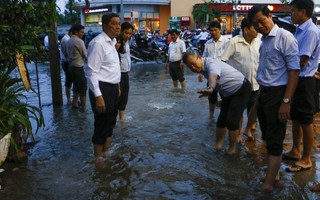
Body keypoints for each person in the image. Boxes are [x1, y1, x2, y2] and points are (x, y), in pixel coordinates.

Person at [248, 5, 300, 191]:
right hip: (265, 93)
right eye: (255, 24)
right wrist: (259, 98)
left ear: (271, 16)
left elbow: (294, 71)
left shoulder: (285, 37)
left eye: (262, 20)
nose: (259, 26)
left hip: (279, 94)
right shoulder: (265, 41)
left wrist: (286, 102)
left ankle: (268, 185)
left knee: (276, 140)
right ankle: (275, 177)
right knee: (268, 137)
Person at [182, 49, 251, 155]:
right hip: (227, 93)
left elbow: (213, 76)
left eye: (194, 64)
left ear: (200, 58)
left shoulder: (211, 63)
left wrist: (211, 88)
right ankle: (217, 147)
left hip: (241, 89)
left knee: (232, 121)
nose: (193, 68)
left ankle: (231, 150)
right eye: (189, 66)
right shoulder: (203, 67)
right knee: (221, 120)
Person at [284, 0, 320, 173]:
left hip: (305, 81)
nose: (291, 14)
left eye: (293, 11)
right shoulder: (300, 30)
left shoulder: (311, 31)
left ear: (303, 12)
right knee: (296, 118)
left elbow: (302, 60)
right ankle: (295, 150)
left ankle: (306, 159)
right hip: (298, 79)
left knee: (306, 121)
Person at [84, 13, 121, 164]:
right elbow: (90, 71)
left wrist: (117, 86)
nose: (118, 26)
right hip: (102, 89)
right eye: (114, 24)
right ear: (105, 26)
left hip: (112, 88)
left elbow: (112, 68)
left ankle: (106, 152)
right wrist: (98, 95)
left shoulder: (112, 42)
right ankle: (98, 158)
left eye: (119, 23)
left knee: (110, 121)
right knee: (101, 123)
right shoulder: (98, 43)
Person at [221, 18, 261, 142]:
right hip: (239, 86)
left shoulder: (259, 41)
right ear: (246, 29)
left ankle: (248, 129)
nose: (257, 30)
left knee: (254, 110)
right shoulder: (234, 42)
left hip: (256, 83)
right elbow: (223, 61)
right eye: (255, 27)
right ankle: (237, 134)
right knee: (238, 111)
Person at [202, 21, 230, 118]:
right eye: (211, 30)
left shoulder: (227, 42)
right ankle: (211, 116)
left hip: (223, 75)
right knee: (211, 97)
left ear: (220, 30)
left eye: (215, 30)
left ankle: (224, 115)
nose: (213, 32)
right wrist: (201, 73)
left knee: (225, 97)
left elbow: (230, 59)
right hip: (211, 76)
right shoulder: (208, 43)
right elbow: (204, 58)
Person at [67, 24, 87, 111]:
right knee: (83, 87)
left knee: (76, 86)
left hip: (71, 66)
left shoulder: (68, 40)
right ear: (76, 32)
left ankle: (74, 103)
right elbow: (85, 55)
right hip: (78, 67)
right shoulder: (79, 41)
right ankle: (84, 108)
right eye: (81, 32)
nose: (82, 34)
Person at [117, 22, 133, 122]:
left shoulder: (126, 42)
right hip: (118, 74)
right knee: (118, 97)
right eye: (126, 33)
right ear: (121, 31)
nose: (128, 35)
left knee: (124, 97)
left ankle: (122, 118)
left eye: (130, 33)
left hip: (125, 73)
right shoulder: (118, 43)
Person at [60, 28, 73, 105]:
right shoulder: (66, 40)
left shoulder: (66, 39)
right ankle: (69, 100)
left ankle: (70, 99)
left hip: (66, 62)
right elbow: (67, 53)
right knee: (69, 81)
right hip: (67, 62)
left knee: (69, 81)